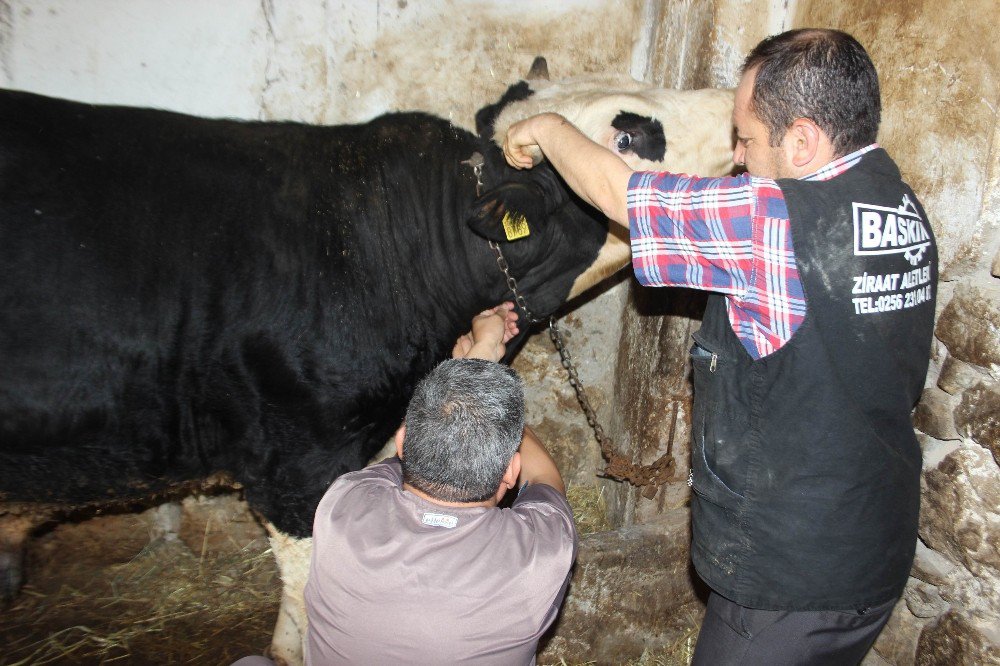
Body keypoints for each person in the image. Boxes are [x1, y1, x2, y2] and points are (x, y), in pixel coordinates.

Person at [497, 28, 937, 664]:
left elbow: (624, 196)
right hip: (873, 544)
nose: (736, 154)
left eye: (748, 137)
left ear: (805, 140)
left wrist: (547, 124)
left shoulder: (772, 218)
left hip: (788, 577)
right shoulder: (897, 203)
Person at [302, 303, 578, 664]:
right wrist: (485, 382)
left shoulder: (344, 504)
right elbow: (545, 478)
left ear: (401, 442)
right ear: (511, 471)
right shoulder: (538, 554)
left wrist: (479, 361)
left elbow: (417, 445)